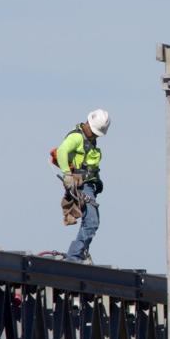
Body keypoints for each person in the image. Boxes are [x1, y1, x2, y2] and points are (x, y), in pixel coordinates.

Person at [56, 109, 110, 263]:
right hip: (81, 185)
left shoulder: (90, 140)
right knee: (92, 221)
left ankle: (79, 254)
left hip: (89, 186)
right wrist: (67, 174)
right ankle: (74, 257)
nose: (95, 135)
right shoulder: (77, 137)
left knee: (91, 222)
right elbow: (61, 151)